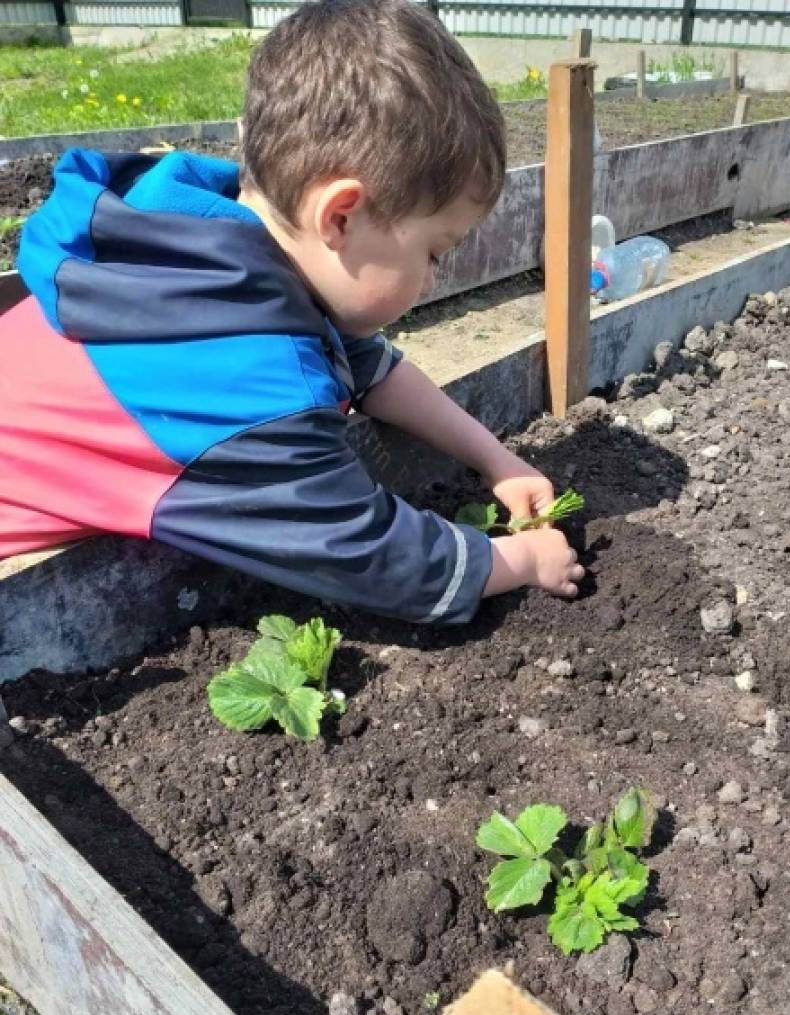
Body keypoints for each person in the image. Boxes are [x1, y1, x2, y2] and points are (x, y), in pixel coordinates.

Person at [0, 0, 584, 624]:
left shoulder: (202, 250)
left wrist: (496, 459)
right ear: (339, 216)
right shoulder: (241, 382)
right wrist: (523, 561)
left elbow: (368, 367)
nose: (436, 276)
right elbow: (370, 553)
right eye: (435, 252)